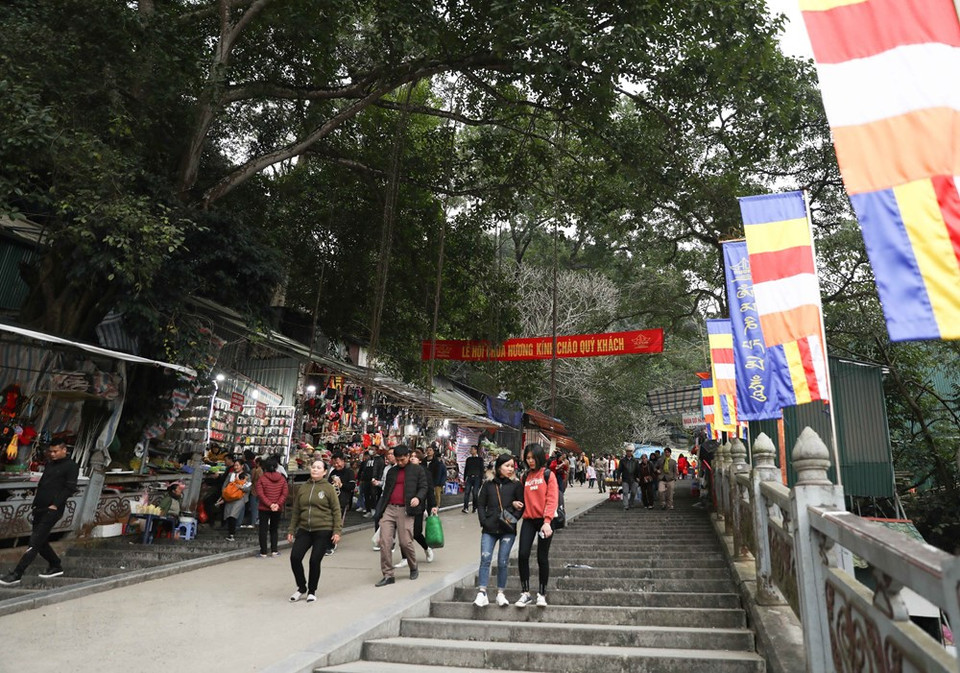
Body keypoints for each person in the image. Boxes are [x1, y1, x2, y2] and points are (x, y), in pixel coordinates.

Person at [0, 438, 79, 585]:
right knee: (40, 541)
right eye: (51, 451)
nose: (53, 454)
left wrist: (55, 505)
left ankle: (17, 574)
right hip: (39, 507)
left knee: (34, 542)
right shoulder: (49, 464)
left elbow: (70, 488)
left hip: (52, 509)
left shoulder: (71, 466)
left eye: (56, 451)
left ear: (64, 450)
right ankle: (55, 565)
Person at [372, 445, 427, 586]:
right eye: (397, 460)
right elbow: (386, 492)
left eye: (402, 459)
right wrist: (380, 512)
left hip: (406, 510)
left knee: (405, 542)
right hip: (389, 508)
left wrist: (418, 498)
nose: (400, 462)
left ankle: (413, 566)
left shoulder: (417, 470)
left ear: (408, 456)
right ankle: (388, 574)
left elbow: (424, 487)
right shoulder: (391, 471)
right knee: (385, 542)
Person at [287, 460, 341, 602]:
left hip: (323, 529)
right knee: (295, 557)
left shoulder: (328, 488)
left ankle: (312, 590)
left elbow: (336, 510)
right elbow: (297, 511)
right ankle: (301, 587)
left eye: (319, 468)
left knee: (314, 560)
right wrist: (291, 529)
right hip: (305, 529)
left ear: (324, 472)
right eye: (313, 467)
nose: (315, 470)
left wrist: (337, 531)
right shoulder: (303, 488)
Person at [473, 453, 524, 607]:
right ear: (498, 466)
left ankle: (500, 593)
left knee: (503, 561)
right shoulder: (488, 485)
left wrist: (514, 517)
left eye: (512, 466)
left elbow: (522, 505)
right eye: (506, 466)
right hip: (489, 529)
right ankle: (482, 592)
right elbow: (480, 504)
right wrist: (483, 521)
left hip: (508, 529)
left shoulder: (516, 485)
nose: (510, 469)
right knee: (485, 559)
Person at [515, 443, 559, 608]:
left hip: (545, 522)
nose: (530, 461)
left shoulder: (548, 475)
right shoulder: (525, 476)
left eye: (533, 457)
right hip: (529, 520)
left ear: (540, 457)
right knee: (523, 554)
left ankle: (542, 593)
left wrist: (547, 521)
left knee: (542, 557)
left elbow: (552, 499)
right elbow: (521, 497)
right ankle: (525, 593)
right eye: (528, 458)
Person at [395, 450, 438, 568]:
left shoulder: (424, 472)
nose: (412, 458)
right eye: (411, 456)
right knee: (403, 533)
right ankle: (405, 557)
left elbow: (429, 490)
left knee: (416, 532)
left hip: (419, 507)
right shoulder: (404, 471)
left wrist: (433, 506)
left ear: (420, 460)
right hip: (404, 507)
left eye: (415, 457)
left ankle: (426, 548)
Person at [255, 457, 289, 558]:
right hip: (277, 508)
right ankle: (274, 551)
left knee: (263, 529)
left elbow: (260, 494)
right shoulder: (282, 479)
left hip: (264, 508)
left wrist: (269, 504)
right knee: (274, 529)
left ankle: (263, 552)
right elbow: (285, 493)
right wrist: (277, 504)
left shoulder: (262, 479)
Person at [222, 459, 251, 542]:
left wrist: (241, 487)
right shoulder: (231, 475)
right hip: (230, 498)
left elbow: (248, 488)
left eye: (238, 465)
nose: (236, 467)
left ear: (242, 466)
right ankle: (231, 531)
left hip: (240, 498)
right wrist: (224, 493)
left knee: (233, 515)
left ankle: (232, 533)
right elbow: (225, 484)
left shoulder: (246, 476)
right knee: (228, 515)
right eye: (235, 465)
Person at [461, 445, 484, 513]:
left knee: (475, 493)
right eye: (470, 449)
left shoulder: (480, 459)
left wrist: (481, 479)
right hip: (469, 477)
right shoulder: (468, 459)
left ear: (476, 450)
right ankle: (465, 508)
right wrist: (464, 478)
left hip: (477, 478)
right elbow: (466, 469)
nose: (471, 450)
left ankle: (475, 507)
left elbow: (481, 469)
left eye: (472, 449)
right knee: (467, 492)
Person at [425, 445, 446, 509]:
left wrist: (439, 482)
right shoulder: (423, 461)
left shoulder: (437, 462)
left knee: (436, 495)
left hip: (436, 481)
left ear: (433, 452)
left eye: (430, 450)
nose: (428, 452)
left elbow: (440, 473)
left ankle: (436, 506)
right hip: (425, 481)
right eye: (427, 450)